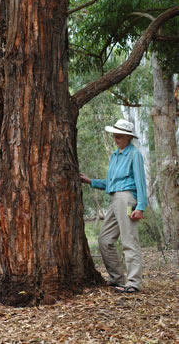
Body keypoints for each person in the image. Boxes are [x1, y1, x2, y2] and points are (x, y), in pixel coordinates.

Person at [80, 119, 147, 293]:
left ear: (128, 137)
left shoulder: (134, 155)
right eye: (114, 135)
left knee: (129, 240)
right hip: (115, 200)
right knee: (104, 239)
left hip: (127, 200)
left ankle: (133, 283)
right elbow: (111, 183)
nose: (115, 138)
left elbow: (141, 182)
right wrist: (91, 181)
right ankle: (117, 277)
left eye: (119, 136)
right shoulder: (115, 155)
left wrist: (140, 206)